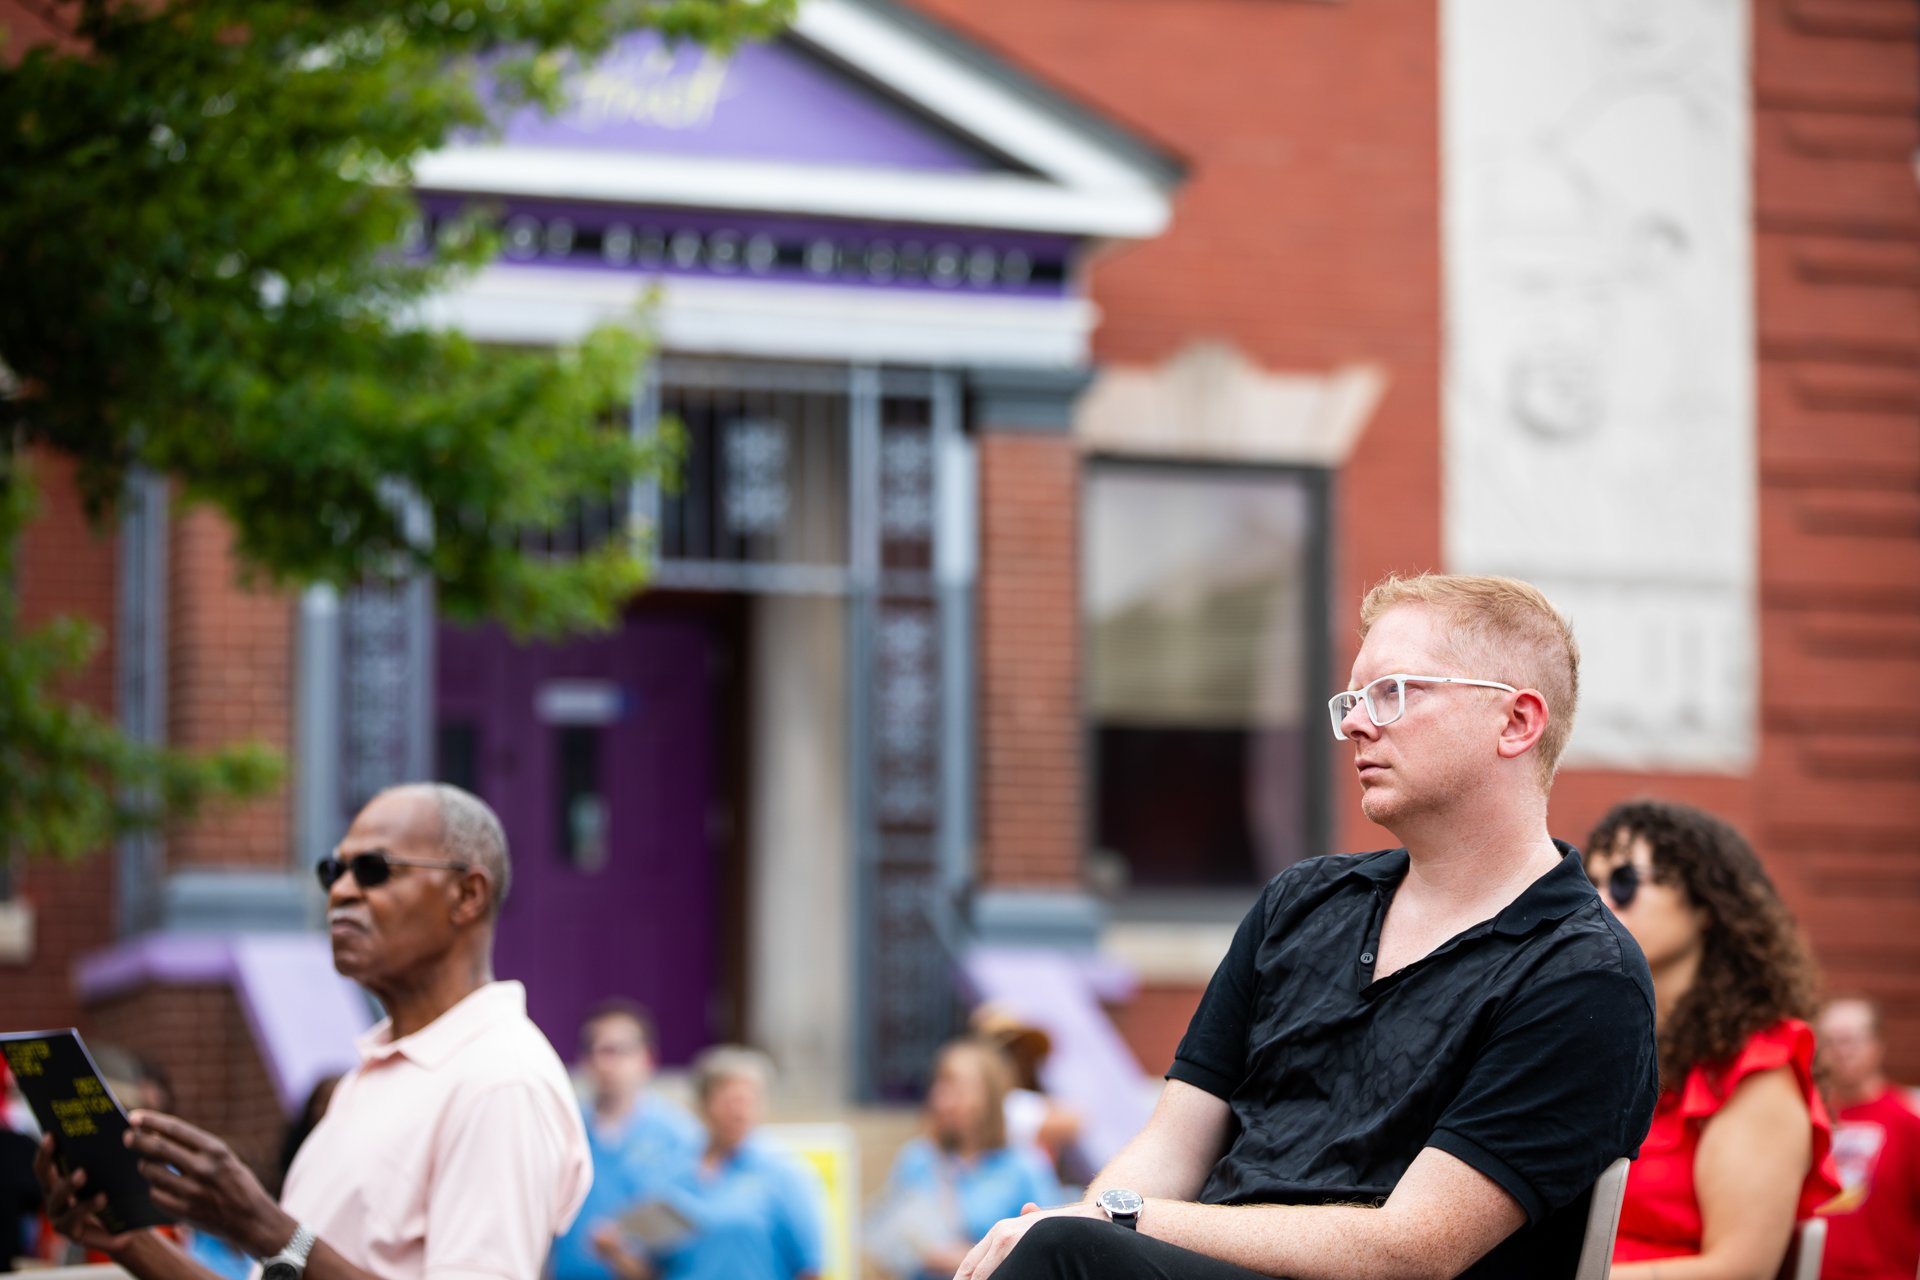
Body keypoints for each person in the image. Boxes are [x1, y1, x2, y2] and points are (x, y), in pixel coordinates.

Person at [960, 572, 1660, 1280]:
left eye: (1393, 693)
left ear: (1515, 722)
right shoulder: (1302, 903)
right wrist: (1094, 1212)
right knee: (1040, 1246)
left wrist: (1115, 1219)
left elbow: (1412, 1250)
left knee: (1064, 1253)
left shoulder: (1581, 973)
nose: (1357, 722)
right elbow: (1171, 1147)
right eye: (1353, 700)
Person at [35, 782, 593, 1280]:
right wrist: (129, 1243)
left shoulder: (500, 1081)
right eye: (333, 871)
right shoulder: (370, 1079)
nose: (342, 891)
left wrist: (268, 1229)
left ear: (467, 895)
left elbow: (288, 1248)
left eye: (374, 869)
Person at [1583, 799, 1840, 1277]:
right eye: (1588, 883)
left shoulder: (1757, 1066)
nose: (1600, 901)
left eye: (1623, 881)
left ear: (1705, 906)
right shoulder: (1589, 1039)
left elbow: (1740, 1268)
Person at [595, 1046, 825, 1280]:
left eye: (749, 1101)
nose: (740, 1111)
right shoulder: (672, 1176)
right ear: (703, 1104)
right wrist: (614, 1251)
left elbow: (810, 1268)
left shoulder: (783, 1173)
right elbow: (650, 1273)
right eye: (730, 1101)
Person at [868, 1037, 1060, 1280]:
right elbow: (889, 1245)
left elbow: (1049, 1252)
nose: (941, 1099)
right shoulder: (916, 1159)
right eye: (939, 1086)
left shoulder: (1025, 1168)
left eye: (955, 1089)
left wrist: (970, 1258)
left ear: (987, 1097)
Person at [551, 1001, 704, 1280]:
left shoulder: (679, 1137)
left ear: (646, 1058)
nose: (604, 1062)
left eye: (616, 1051)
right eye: (593, 1050)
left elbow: (689, 1232)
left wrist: (620, 1252)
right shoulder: (561, 1129)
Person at [1817, 996, 1920, 1280]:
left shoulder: (1908, 1124)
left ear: (1878, 1045)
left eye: (1851, 1040)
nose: (1841, 1052)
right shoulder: (1810, 1118)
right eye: (1831, 1041)